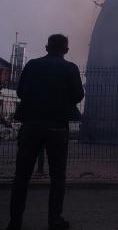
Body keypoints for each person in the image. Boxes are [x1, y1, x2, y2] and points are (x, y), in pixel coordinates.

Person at [7, 34, 84, 230]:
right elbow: (78, 95)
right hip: (57, 128)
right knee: (57, 177)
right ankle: (54, 220)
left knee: (21, 177)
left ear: (46, 47)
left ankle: (15, 222)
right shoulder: (70, 68)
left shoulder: (32, 65)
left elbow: (21, 92)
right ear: (65, 50)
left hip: (31, 126)